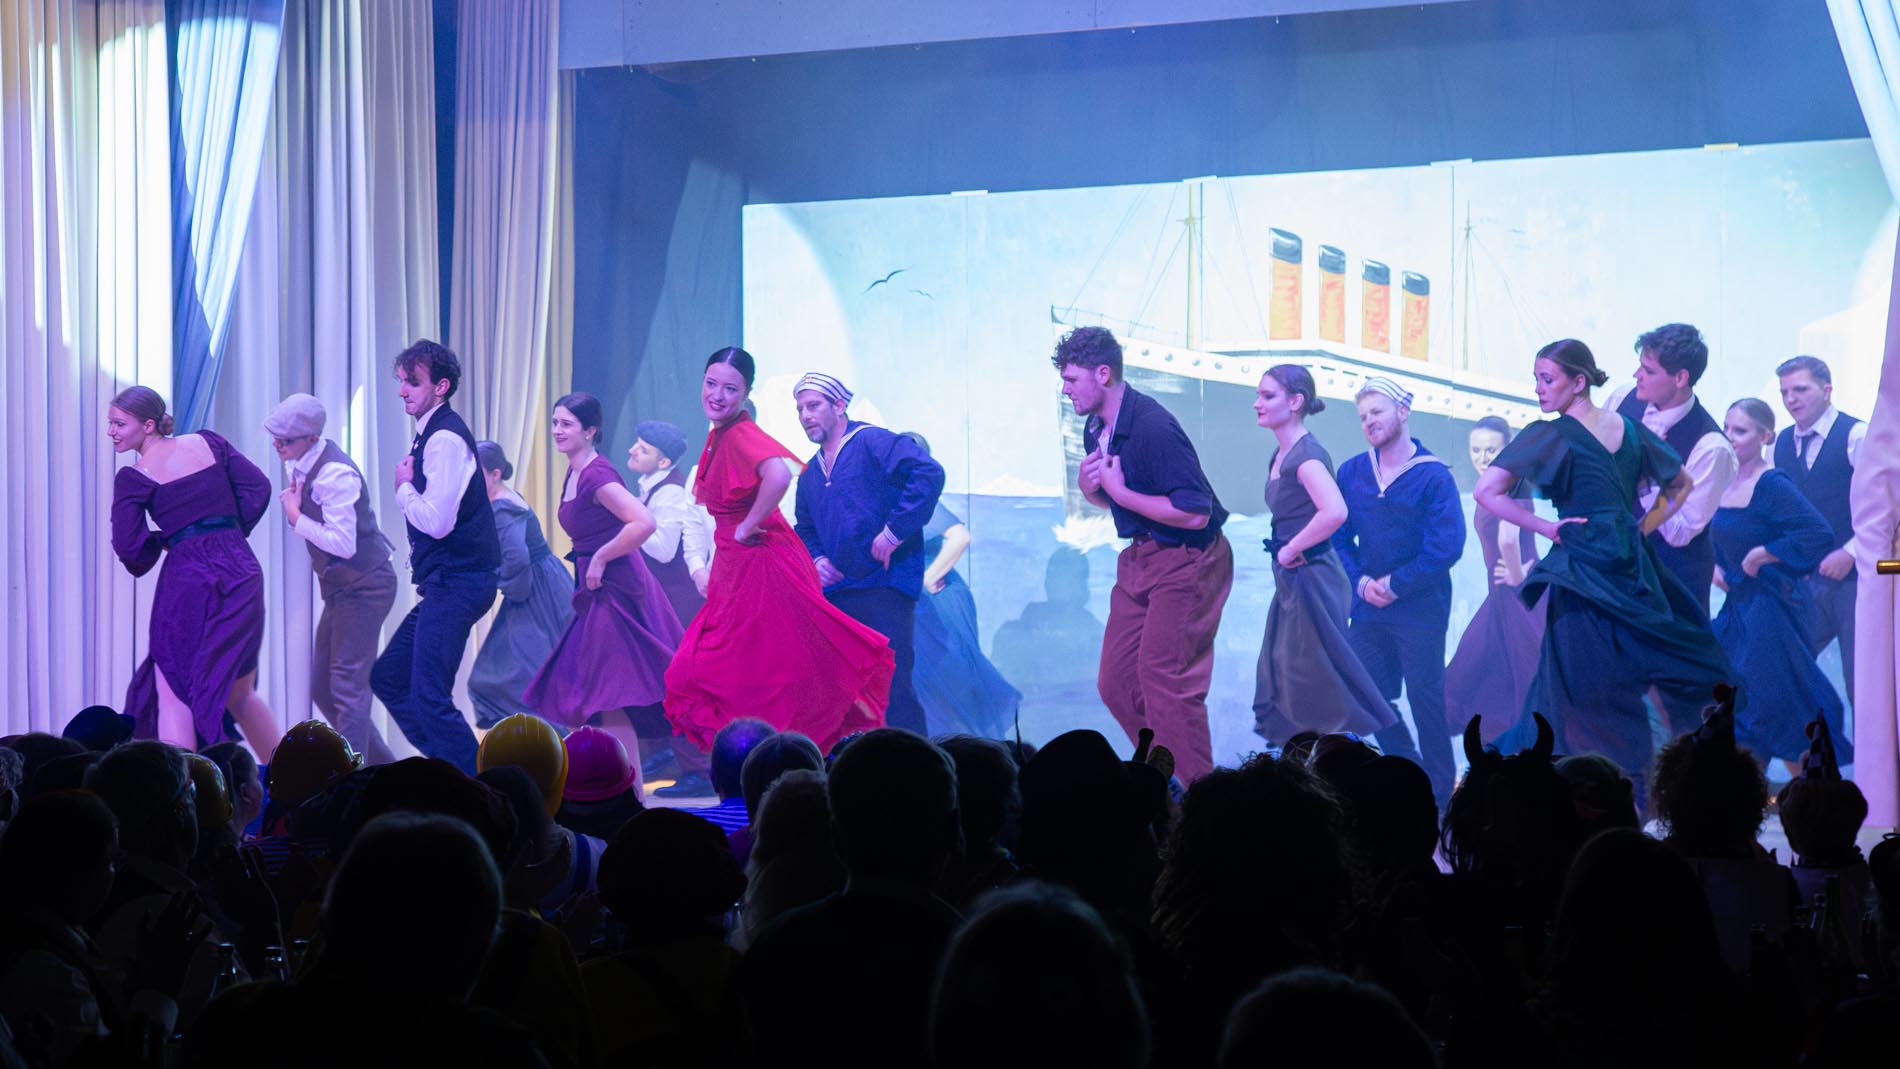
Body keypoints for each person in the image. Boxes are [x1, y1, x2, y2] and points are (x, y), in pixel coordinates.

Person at [1473, 339, 1734, 790]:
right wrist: (1640, 528)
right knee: (1625, 677)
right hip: (1632, 563)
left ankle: (1586, 788)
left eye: (1546, 379)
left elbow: (1485, 491)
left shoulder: (1549, 434)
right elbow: (1681, 484)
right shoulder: (1630, 429)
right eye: (1537, 379)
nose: (1538, 389)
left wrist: (1546, 527)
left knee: (1579, 683)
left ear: (1579, 382)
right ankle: (1632, 786)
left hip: (1583, 564)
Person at [663, 347, 894, 756]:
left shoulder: (739, 434)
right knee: (755, 669)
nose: (717, 395)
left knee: (759, 669)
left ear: (745, 393)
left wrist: (747, 525)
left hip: (760, 564)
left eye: (730, 388)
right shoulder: (722, 434)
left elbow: (778, 474)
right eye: (711, 384)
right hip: (739, 565)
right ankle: (767, 760)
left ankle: (782, 759)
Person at [1053, 327, 1234, 782]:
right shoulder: (1095, 427)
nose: (1065, 389)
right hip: (1142, 558)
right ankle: (1164, 776)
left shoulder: (1153, 426)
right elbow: (1121, 500)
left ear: (1103, 374)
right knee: (1116, 682)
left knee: (1164, 681)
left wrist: (1118, 492)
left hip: (1190, 557)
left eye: (1072, 379)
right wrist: (1092, 491)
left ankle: (1197, 798)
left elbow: (1195, 513)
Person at [108, 385, 279, 754]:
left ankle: (187, 785)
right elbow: (258, 488)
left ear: (148, 425)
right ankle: (297, 781)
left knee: (174, 690)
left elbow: (128, 546)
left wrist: (170, 539)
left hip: (189, 577)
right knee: (240, 693)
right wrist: (227, 529)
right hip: (242, 569)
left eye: (119, 424)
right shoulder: (209, 442)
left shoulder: (134, 478)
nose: (111, 432)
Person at [524, 393, 684, 763]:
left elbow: (644, 522)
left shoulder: (596, 475)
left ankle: (627, 787)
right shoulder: (576, 469)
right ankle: (609, 782)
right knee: (586, 696)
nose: (557, 430)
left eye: (567, 424)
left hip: (615, 590)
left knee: (606, 697)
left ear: (590, 430)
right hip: (595, 589)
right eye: (555, 422)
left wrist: (600, 557)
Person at [1330, 376, 1466, 807]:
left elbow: (1447, 546)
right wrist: (1361, 581)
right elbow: (1338, 536)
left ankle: (1441, 796)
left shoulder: (1433, 475)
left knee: (1426, 700)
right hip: (1369, 605)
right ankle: (1409, 769)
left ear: (1403, 412)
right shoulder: (1352, 471)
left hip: (1420, 609)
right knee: (1362, 690)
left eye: (1377, 412)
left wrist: (1396, 584)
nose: (1369, 421)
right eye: (1363, 416)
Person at [370, 340, 502, 775]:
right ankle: (452, 771)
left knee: (429, 696)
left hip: (460, 580)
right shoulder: (431, 432)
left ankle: (477, 787)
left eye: (412, 382)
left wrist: (403, 487)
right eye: (401, 381)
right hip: (450, 581)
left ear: (441, 386)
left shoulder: (443, 439)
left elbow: (438, 522)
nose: (402, 391)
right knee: (390, 678)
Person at [792, 372, 946, 735]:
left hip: (884, 587)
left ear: (839, 405)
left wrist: (895, 531)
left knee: (894, 688)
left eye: (813, 406)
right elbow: (805, 526)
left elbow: (927, 473)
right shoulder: (811, 473)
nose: (805, 415)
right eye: (799, 409)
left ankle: (918, 763)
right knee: (845, 694)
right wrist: (818, 559)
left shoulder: (871, 441)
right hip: (839, 595)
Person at [1249, 365, 1393, 747]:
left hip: (1314, 578)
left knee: (1311, 681)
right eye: (1258, 395)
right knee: (1290, 676)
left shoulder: (1306, 457)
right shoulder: (1281, 454)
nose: (1257, 403)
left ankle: (1330, 763)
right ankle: (1308, 760)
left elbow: (1335, 511)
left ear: (1295, 401)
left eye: (1267, 396)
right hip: (1295, 580)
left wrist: (1290, 548)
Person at [1709, 399, 1846, 767]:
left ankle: (1811, 789)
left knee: (1774, 702)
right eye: (1726, 428)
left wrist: (1763, 554)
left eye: (1740, 430)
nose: (1730, 437)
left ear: (1765, 437)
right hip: (1739, 606)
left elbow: (1818, 532)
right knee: (1737, 698)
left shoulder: (1772, 483)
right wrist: (1715, 566)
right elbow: (1718, 535)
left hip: (1773, 607)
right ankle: (1746, 788)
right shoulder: (1725, 482)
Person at [264, 393, 399, 765]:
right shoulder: (302, 461)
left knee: (346, 686)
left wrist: (296, 517)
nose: (277, 445)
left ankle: (350, 779)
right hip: (344, 588)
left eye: (285, 440)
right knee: (324, 687)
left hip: (366, 585)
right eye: (275, 437)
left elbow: (344, 543)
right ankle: (384, 771)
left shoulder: (335, 474)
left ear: (311, 438)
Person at [1607, 324, 1736, 618]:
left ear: (1680, 378)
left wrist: (1648, 474)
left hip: (1669, 583)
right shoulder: (1622, 398)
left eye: (1648, 371)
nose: (1637, 375)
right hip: (1614, 568)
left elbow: (1680, 533)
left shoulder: (1712, 447)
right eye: (1640, 366)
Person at [901, 432, 1022, 740]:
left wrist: (927, 579)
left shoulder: (919, 498)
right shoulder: (902, 500)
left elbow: (960, 536)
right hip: (923, 601)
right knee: (931, 680)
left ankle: (958, 748)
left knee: (948, 675)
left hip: (939, 600)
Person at [1774, 354, 1864, 721]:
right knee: (1781, 671)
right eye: (1784, 392)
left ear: (1827, 390)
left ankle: (1875, 760)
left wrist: (1852, 552)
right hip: (1803, 583)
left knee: (1863, 685)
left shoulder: (1856, 436)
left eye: (1800, 389)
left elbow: (1889, 505)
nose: (1791, 399)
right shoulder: (1781, 443)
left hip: (1856, 582)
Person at [1444, 416, 1544, 741]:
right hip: (1506, 593)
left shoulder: (1510, 483)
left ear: (1507, 447)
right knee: (1499, 668)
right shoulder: (1498, 483)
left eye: (1491, 449)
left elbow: (1508, 538)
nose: (1482, 457)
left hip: (1517, 595)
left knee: (1516, 669)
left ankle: (1520, 744)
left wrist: (1515, 573)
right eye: (1476, 449)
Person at [468, 440, 575, 729]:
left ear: (495, 474)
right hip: (544, 582)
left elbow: (516, 557)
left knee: (513, 677)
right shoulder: (500, 498)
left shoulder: (503, 507)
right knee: (517, 674)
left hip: (534, 589)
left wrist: (507, 586)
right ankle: (546, 739)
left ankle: (554, 740)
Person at [626, 419, 713, 626]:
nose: (632, 450)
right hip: (662, 598)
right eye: (636, 443)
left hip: (676, 603)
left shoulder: (670, 492)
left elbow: (664, 551)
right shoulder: (654, 485)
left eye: (643, 450)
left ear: (663, 463)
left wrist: (632, 520)